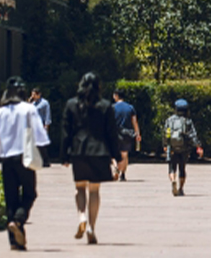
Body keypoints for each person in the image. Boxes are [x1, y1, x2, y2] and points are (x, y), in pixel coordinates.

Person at [0, 77, 50, 251]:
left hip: (7, 159)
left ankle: (15, 242)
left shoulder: (0, 112)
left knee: (11, 199)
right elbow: (39, 133)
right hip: (24, 157)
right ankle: (18, 221)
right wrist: (44, 154)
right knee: (29, 194)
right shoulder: (28, 109)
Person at [61, 73, 122, 244]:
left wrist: (64, 155)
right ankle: (91, 227)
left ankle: (81, 217)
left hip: (79, 151)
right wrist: (116, 157)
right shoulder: (105, 106)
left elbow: (66, 132)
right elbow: (111, 133)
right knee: (94, 190)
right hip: (99, 152)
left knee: (80, 187)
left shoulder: (72, 105)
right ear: (99, 87)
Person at [164, 99, 202, 196]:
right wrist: (198, 146)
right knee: (182, 168)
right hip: (184, 148)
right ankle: (181, 188)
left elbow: (165, 134)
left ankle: (173, 179)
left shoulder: (169, 120)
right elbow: (192, 135)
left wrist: (165, 145)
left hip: (171, 147)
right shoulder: (187, 121)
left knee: (172, 167)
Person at [111, 89, 140, 182]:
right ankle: (122, 174)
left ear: (116, 96)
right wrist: (137, 134)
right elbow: (134, 122)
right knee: (124, 154)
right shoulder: (130, 107)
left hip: (115, 133)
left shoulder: (112, 107)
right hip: (127, 133)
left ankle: (115, 166)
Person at [30, 86, 52, 166]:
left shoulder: (44, 103)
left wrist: (46, 125)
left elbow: (47, 114)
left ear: (39, 95)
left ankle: (46, 161)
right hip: (33, 124)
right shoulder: (32, 103)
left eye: (34, 95)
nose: (33, 96)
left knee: (42, 143)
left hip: (41, 124)